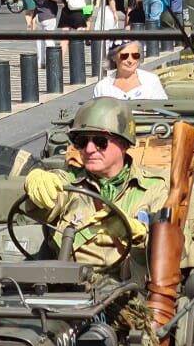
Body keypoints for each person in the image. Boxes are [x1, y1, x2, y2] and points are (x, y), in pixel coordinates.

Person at [19, 98, 165, 273]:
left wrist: (138, 232)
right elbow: (51, 198)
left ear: (124, 143)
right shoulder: (69, 182)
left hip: (133, 284)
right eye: (81, 141)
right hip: (71, 285)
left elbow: (172, 250)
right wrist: (37, 180)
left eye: (100, 141)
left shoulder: (155, 188)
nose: (89, 149)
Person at [94, 40, 167, 100]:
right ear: (113, 57)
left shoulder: (151, 80)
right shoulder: (102, 87)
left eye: (135, 55)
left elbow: (164, 110)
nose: (130, 60)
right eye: (124, 56)